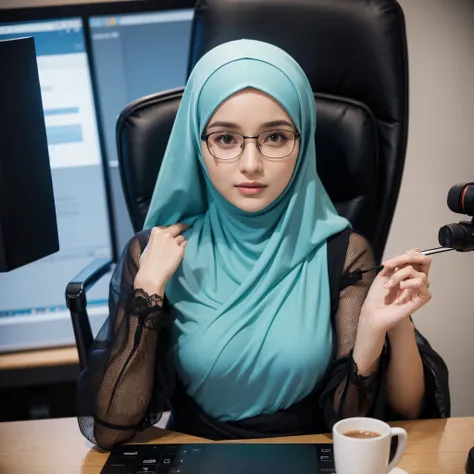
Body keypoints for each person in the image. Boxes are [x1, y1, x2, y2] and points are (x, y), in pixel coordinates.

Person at [76, 40, 450, 450]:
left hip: (306, 453)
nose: (251, 164)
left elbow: (358, 425)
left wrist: (381, 332)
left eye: (274, 137)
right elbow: (111, 429)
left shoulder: (342, 253)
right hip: (199, 455)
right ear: (197, 147)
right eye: (225, 139)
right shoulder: (158, 254)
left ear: (302, 143)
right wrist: (147, 291)